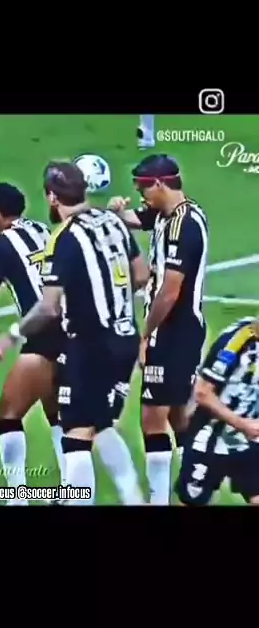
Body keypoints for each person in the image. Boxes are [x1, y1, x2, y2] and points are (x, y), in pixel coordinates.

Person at [0, 161, 146, 506]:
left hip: (91, 346)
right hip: (125, 339)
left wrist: (14, 333)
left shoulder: (63, 238)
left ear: (52, 197)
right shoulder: (112, 222)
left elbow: (49, 307)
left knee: (76, 433)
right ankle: (134, 498)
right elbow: (140, 274)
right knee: (100, 421)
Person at [108, 154, 209, 504]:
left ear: (160, 184)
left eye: (143, 189)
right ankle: (198, 483)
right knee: (179, 416)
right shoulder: (171, 214)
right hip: (181, 331)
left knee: (152, 418)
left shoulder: (184, 227)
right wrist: (117, 212)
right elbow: (137, 219)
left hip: (173, 331)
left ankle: (159, 499)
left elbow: (169, 291)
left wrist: (145, 333)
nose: (141, 196)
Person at [0, 182, 66, 505]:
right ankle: (70, 489)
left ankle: (16, 497)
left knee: (7, 416)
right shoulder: (40, 229)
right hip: (74, 326)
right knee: (57, 411)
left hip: (44, 332)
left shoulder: (1, 246)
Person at [175, 317, 259, 506]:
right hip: (211, 439)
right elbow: (203, 392)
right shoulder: (235, 341)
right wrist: (242, 424)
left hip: (251, 441)